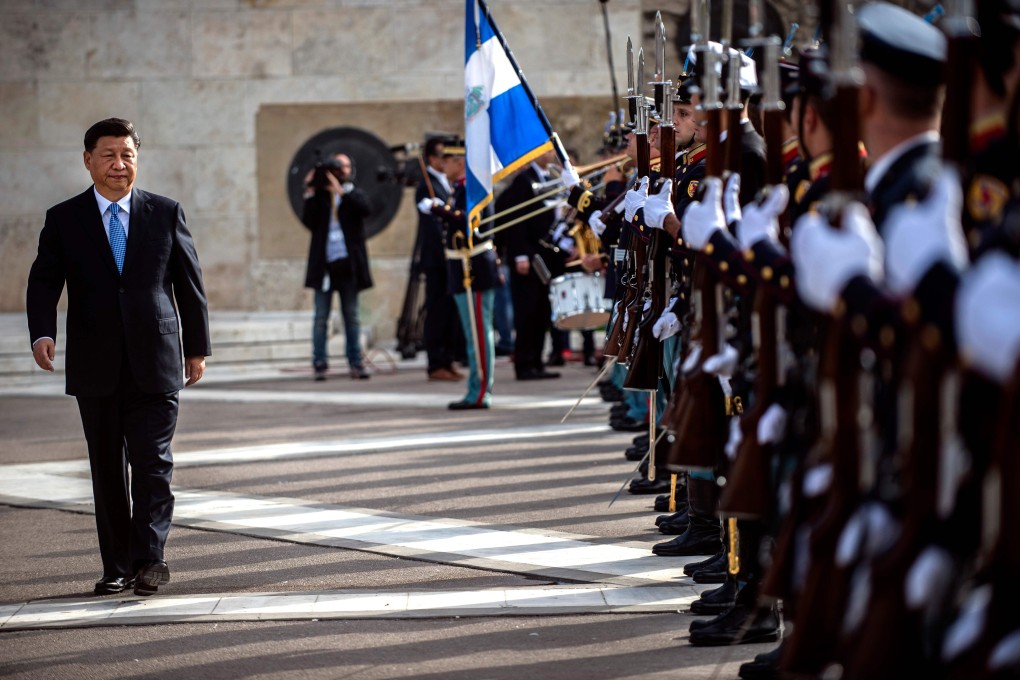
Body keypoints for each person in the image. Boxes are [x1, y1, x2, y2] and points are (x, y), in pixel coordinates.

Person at [26, 117, 211, 597]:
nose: (118, 164)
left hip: (157, 358)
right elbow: (45, 280)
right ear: (88, 161)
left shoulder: (165, 212)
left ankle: (150, 560)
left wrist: (197, 347)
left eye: (127, 155)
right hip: (95, 363)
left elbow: (190, 286)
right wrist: (42, 332)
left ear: (137, 159)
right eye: (108, 155)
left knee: (153, 464)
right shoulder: (64, 218)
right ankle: (116, 566)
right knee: (107, 469)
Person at [424, 137, 500, 409]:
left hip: (474, 267)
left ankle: (480, 392)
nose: (442, 165)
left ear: (459, 162)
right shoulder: (460, 187)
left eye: (446, 160)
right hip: (462, 267)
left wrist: (438, 209)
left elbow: (470, 223)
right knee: (472, 334)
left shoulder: (472, 188)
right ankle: (476, 388)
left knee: (479, 334)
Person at [301, 153, 373, 381]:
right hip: (325, 267)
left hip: (348, 267)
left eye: (343, 167)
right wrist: (311, 189)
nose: (340, 172)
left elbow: (365, 209)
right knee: (321, 317)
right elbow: (308, 221)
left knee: (351, 316)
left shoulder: (353, 193)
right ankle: (319, 362)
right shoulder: (319, 198)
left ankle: (356, 361)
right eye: (337, 168)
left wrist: (341, 191)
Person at [496, 150, 562, 380]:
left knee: (542, 311)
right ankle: (524, 363)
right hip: (529, 255)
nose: (551, 154)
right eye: (545, 149)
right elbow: (516, 222)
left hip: (545, 253)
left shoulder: (547, 177)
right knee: (527, 311)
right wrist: (519, 255)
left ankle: (536, 361)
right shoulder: (523, 181)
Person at [415, 136, 465, 382]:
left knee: (449, 312)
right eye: (445, 157)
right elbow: (432, 227)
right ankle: (436, 362)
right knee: (437, 311)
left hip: (450, 258)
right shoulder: (427, 185)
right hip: (437, 259)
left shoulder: (447, 184)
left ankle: (447, 358)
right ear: (434, 160)